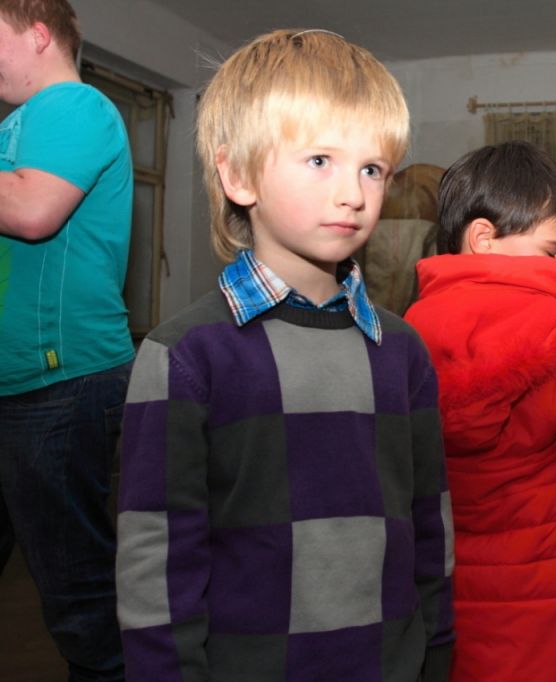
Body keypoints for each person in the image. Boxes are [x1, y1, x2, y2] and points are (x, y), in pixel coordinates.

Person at [115, 29, 453, 681]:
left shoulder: (403, 350)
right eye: (320, 160)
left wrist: (436, 654)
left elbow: (428, 524)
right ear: (239, 176)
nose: (354, 193)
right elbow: (156, 563)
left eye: (373, 169)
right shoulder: (185, 356)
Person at [404, 141, 556, 681]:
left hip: (453, 580)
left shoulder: (407, 330)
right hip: (555, 584)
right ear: (483, 238)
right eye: (553, 252)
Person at [0, 1, 133, 679]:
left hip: (57, 381)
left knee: (77, 594)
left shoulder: (74, 105)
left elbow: (30, 211)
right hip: (18, 381)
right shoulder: (19, 124)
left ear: (37, 33)